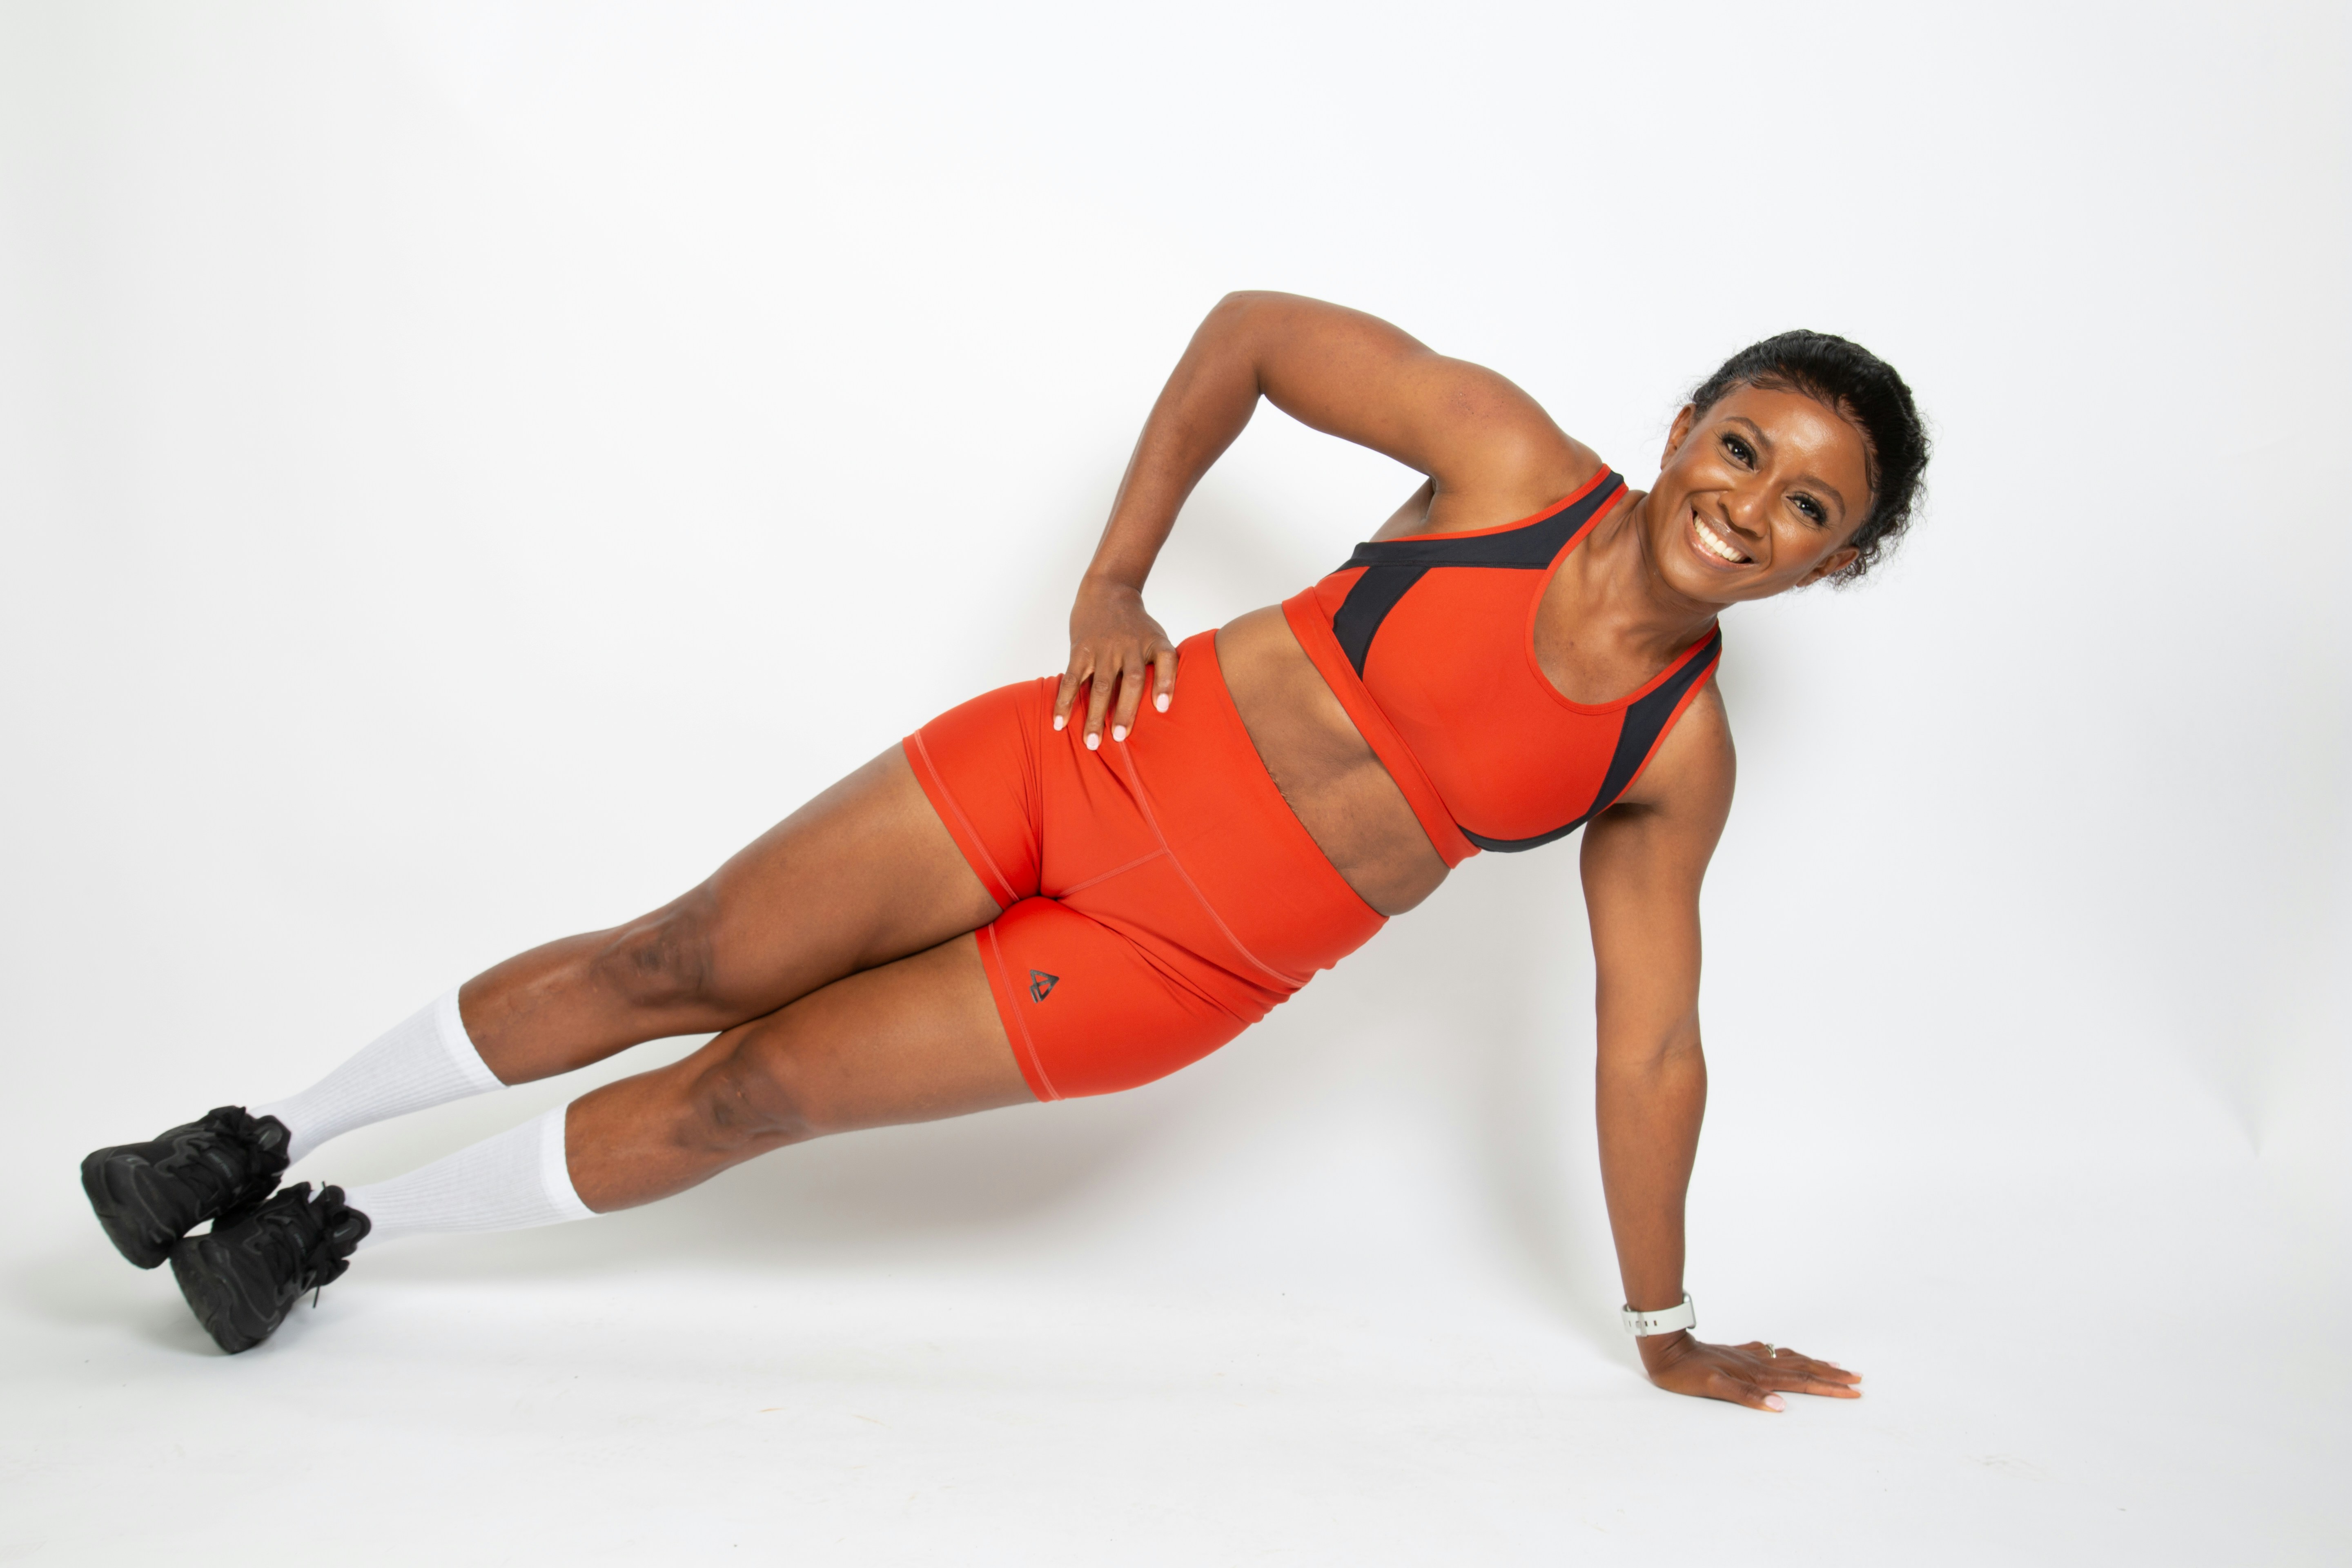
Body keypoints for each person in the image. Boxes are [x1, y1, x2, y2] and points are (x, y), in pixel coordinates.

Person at [82, 292, 1925, 1411]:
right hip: (1076, 765)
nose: (1746, 507)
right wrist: (1117, 579)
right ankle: (255, 1140)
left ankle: (319, 1243)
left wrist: (1666, 1324)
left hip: (1167, 970)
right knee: (680, 961)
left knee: (753, 1095)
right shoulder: (1508, 461)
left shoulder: (1674, 753)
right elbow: (1252, 334)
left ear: (1831, 565)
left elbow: (1649, 1046)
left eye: (1806, 508)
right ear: (1684, 425)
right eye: (1741, 447)